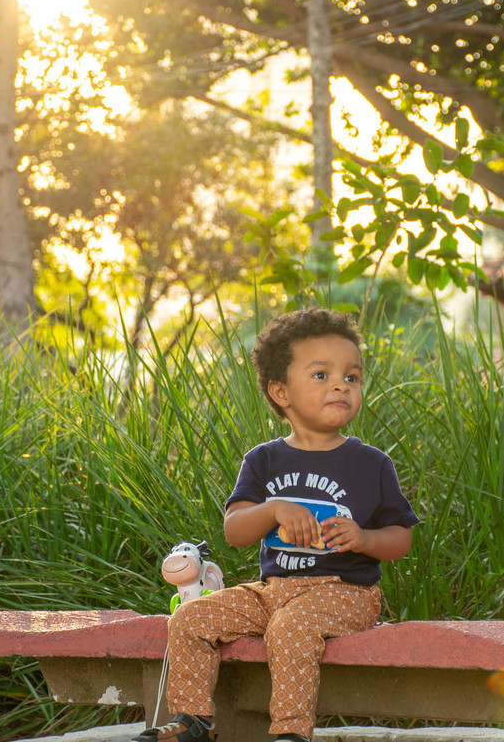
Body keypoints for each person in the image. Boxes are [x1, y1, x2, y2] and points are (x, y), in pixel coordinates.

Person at [135, 307, 419, 742]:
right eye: (321, 375)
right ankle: (193, 721)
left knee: (291, 626)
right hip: (272, 591)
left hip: (345, 593)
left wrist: (363, 537)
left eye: (353, 376)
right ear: (281, 391)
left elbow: (401, 539)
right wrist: (272, 509)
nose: (342, 384)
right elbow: (235, 532)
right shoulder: (264, 460)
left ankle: (291, 733)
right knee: (190, 618)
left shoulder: (372, 464)